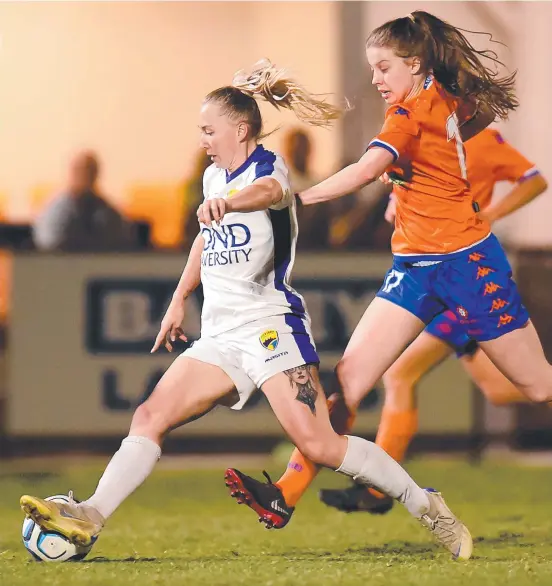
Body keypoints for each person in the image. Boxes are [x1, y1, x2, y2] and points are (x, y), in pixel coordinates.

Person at [19, 59, 473, 561]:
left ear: (240, 128)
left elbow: (272, 194)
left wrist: (231, 205)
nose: (203, 140)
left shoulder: (266, 168)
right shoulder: (215, 177)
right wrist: (179, 298)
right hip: (221, 336)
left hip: (270, 327)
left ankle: (426, 504)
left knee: (320, 444)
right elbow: (202, 241)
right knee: (149, 415)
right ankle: (91, 515)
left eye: (208, 129)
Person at [224, 11, 552, 535]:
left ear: (415, 64)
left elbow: (365, 170)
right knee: (348, 384)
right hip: (415, 269)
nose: (375, 79)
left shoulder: (407, 116)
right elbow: (475, 117)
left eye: (382, 67)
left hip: (469, 264)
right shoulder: (439, 99)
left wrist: (296, 198)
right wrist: (422, 179)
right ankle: (284, 493)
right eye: (372, 68)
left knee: (537, 387)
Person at [320, 127, 548, 514]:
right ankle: (377, 489)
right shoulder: (420, 136)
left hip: (466, 279)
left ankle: (378, 491)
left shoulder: (484, 141)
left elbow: (534, 181)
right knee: (508, 390)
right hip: (437, 278)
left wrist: (489, 213)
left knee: (401, 374)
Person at [33, 150, 134, 252]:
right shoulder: (55, 212)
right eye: (79, 171)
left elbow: (120, 242)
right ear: (71, 172)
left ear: (95, 175)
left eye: (88, 171)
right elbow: (49, 243)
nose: (83, 176)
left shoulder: (108, 214)